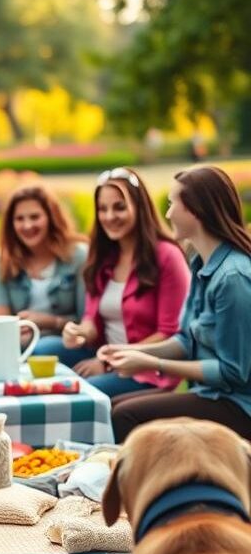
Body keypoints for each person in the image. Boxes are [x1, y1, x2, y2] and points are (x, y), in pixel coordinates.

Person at [102, 166, 251, 441]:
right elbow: (185, 340)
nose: (168, 213)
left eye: (173, 204)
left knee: (125, 415)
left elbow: (233, 372)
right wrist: (128, 351)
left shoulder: (234, 278)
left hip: (239, 406)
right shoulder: (199, 262)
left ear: (196, 210)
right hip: (209, 394)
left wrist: (152, 362)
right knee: (117, 407)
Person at [32, 168, 190, 397]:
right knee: (42, 350)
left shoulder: (167, 256)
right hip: (104, 354)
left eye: (119, 207)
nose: (109, 216)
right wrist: (79, 332)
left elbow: (169, 333)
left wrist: (106, 361)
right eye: (102, 209)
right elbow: (92, 319)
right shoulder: (103, 257)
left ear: (139, 207)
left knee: (84, 394)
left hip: (146, 366)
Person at [0, 185, 88, 334]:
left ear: (51, 217)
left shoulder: (78, 256)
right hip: (19, 341)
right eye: (19, 219)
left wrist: (50, 322)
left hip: (65, 341)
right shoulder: (2, 260)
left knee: (43, 347)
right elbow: (0, 322)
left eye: (35, 217)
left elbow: (86, 322)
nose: (27, 225)